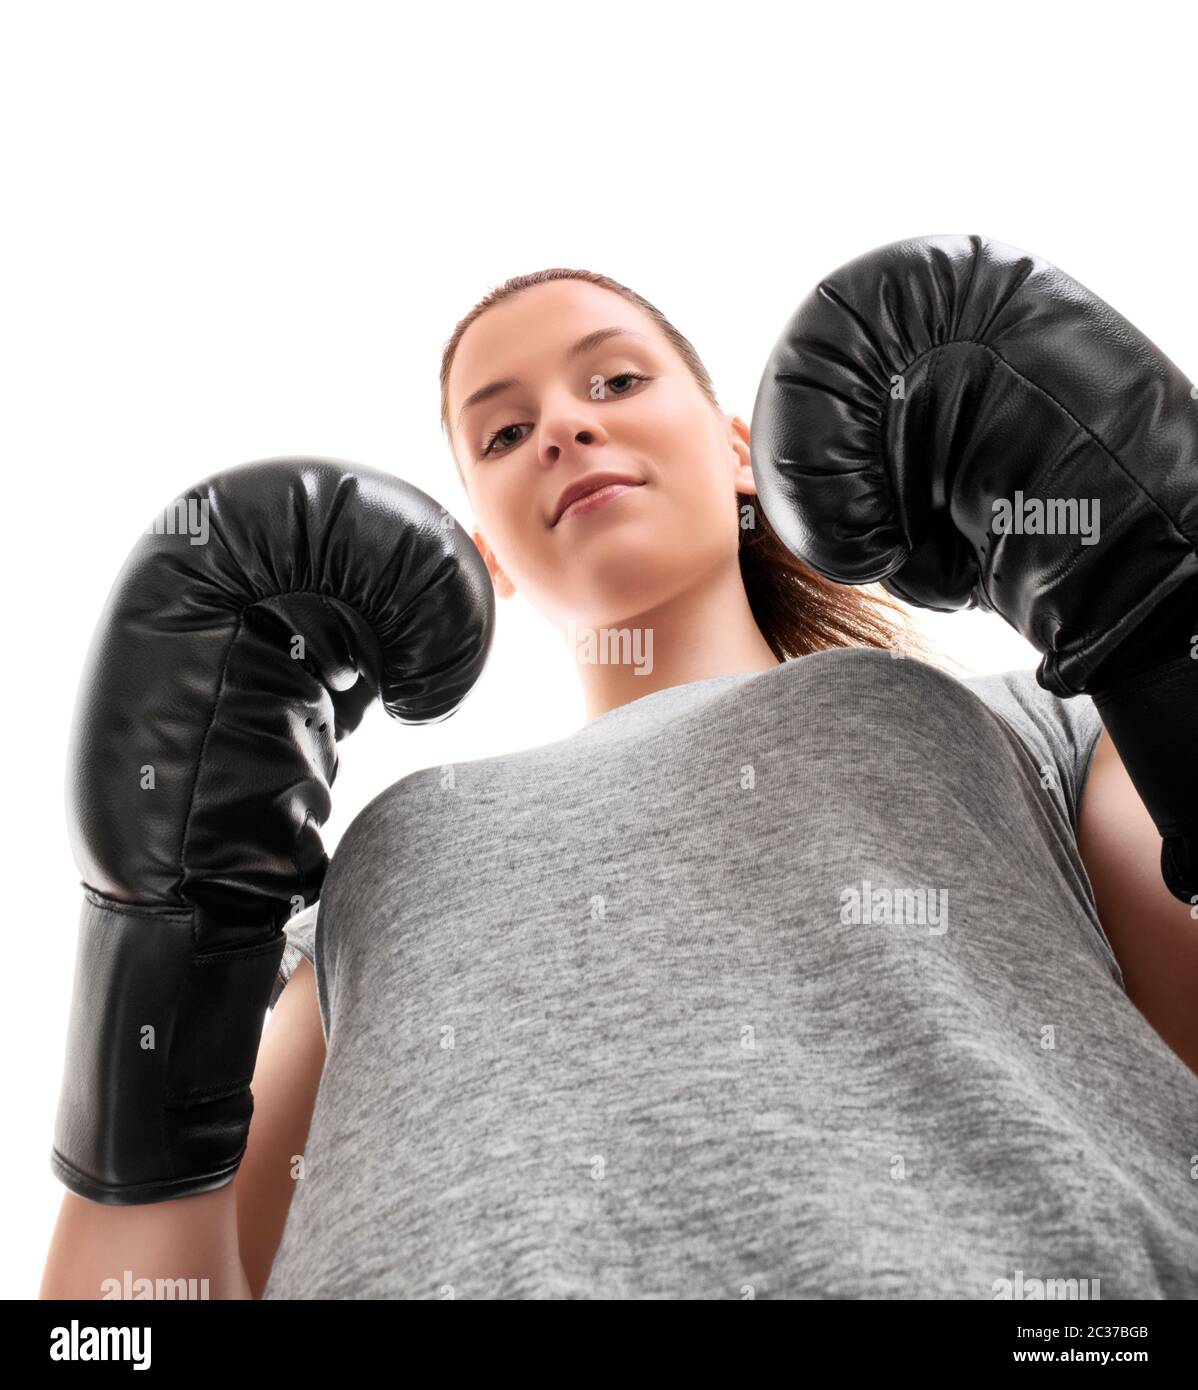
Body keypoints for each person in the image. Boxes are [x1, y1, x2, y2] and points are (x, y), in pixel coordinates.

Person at [42, 263, 1198, 1300]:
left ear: (739, 448)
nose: (559, 428)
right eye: (501, 435)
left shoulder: (1036, 723)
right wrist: (157, 938)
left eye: (613, 381)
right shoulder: (370, 870)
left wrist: (1169, 608)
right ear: (485, 547)